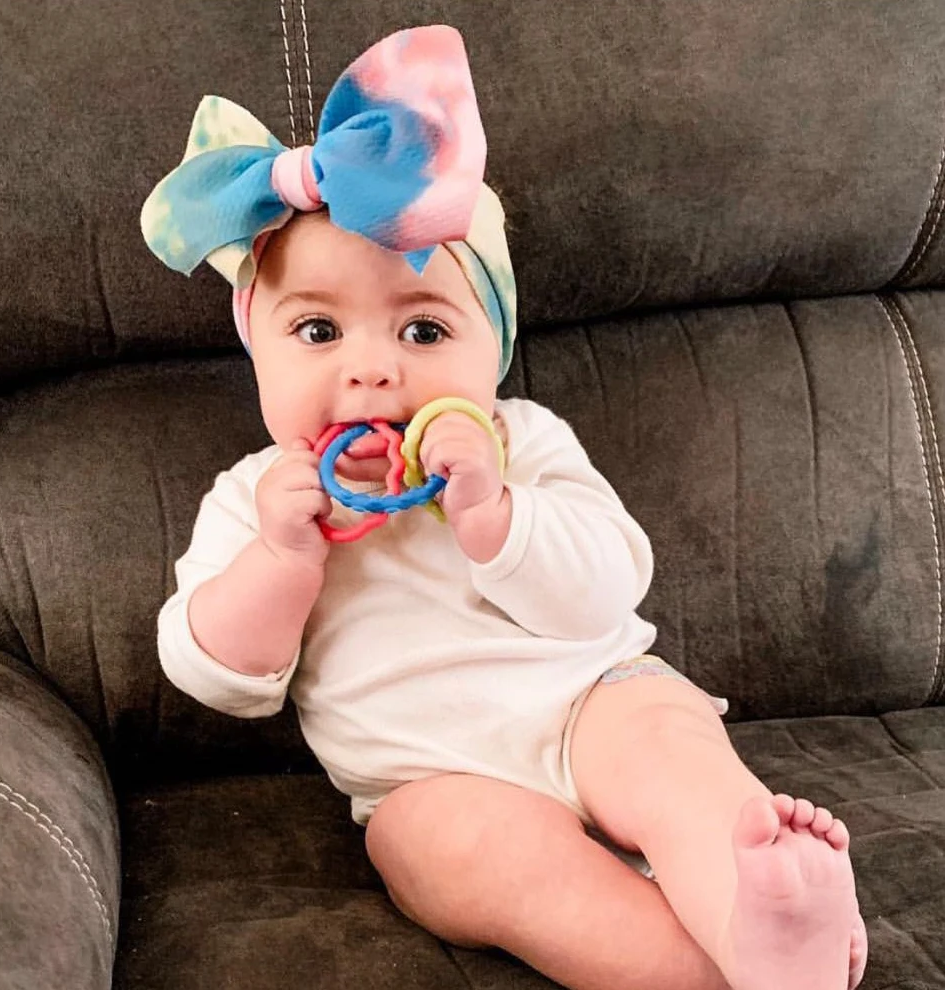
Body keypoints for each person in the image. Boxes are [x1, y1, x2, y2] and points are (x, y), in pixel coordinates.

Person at [141, 25, 867, 990]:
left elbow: (611, 583)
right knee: (456, 854)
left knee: (670, 755)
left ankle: (762, 906)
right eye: (316, 330)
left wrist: (497, 515)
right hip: (427, 779)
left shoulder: (520, 443)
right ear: (257, 356)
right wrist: (281, 562)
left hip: (593, 701)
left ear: (495, 352)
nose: (372, 367)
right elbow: (214, 674)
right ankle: (729, 966)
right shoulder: (257, 498)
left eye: (423, 329)